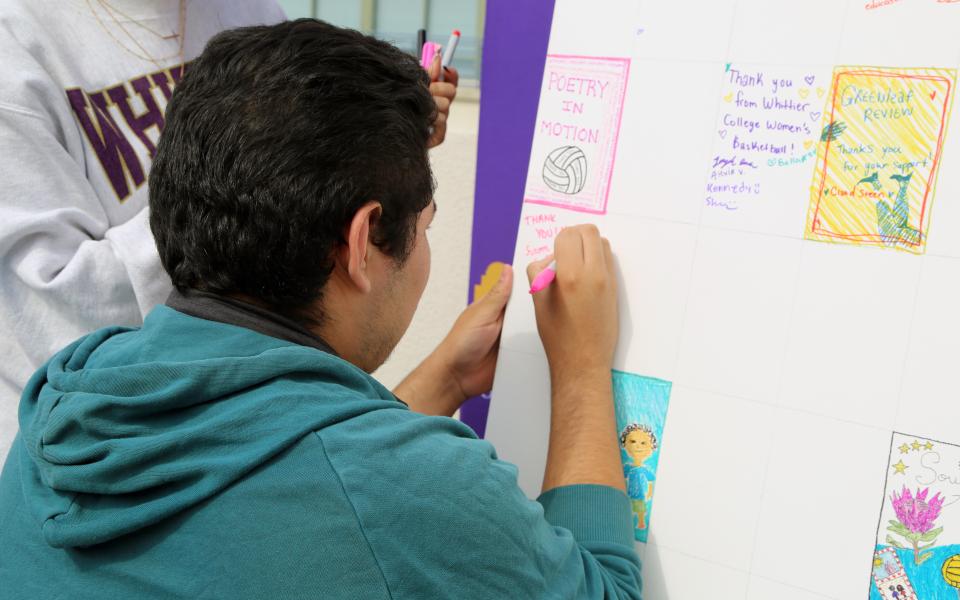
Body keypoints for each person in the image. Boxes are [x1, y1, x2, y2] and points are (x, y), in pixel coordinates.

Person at [0, 19, 641, 599]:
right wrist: (582, 368)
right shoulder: (416, 492)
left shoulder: (58, 412)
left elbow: (281, 472)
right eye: (427, 224)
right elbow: (603, 589)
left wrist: (444, 378)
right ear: (362, 243)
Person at [0, 1, 458, 461]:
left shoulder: (250, 9)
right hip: (100, 447)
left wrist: (382, 141)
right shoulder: (17, 39)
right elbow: (53, 316)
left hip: (263, 416)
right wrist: (257, 199)